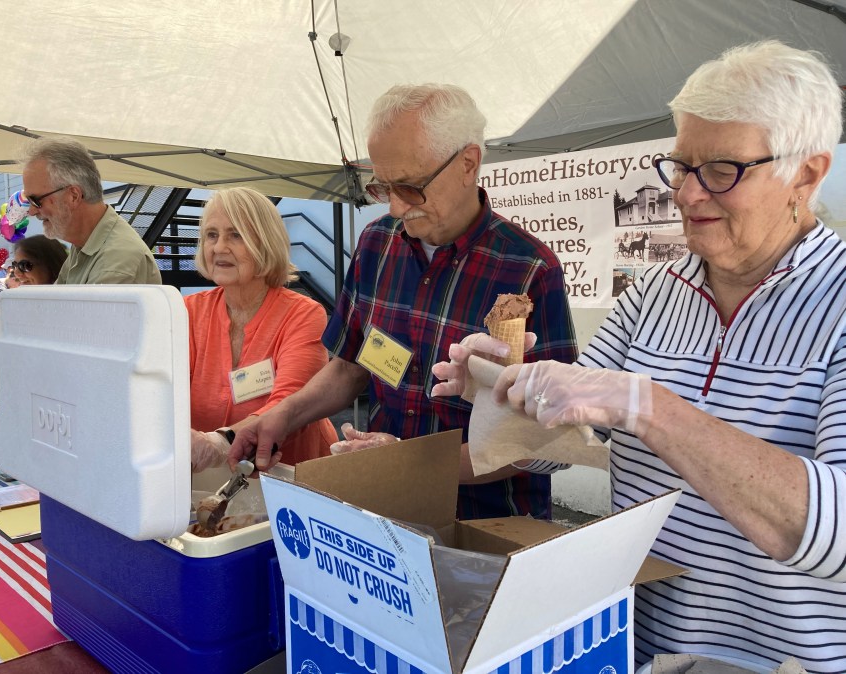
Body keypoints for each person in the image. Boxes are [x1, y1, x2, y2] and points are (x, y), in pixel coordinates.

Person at [438, 41, 846, 671]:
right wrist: (500, 387)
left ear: (808, 173)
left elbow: (834, 533)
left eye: (721, 170)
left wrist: (652, 407)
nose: (686, 194)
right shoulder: (655, 291)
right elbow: (561, 448)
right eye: (680, 166)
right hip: (643, 647)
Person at [229, 83, 578, 520]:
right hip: (383, 512)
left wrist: (412, 464)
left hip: (489, 525)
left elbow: (547, 436)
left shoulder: (529, 270)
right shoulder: (376, 244)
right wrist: (284, 415)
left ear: (469, 163)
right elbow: (348, 367)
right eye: (382, 186)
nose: (394, 207)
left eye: (411, 187)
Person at [0, 136, 162, 345]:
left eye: (35, 200)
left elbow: (69, 347)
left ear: (73, 196)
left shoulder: (117, 259)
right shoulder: (87, 245)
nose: (31, 211)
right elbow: (45, 315)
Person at [186, 187, 336, 470]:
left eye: (236, 235)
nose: (218, 247)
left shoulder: (303, 315)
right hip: (207, 477)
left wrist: (220, 442)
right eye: (211, 234)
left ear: (266, 242)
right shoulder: (188, 311)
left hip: (290, 474)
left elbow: (287, 405)